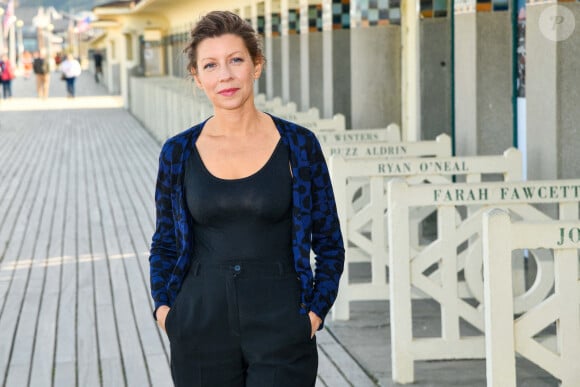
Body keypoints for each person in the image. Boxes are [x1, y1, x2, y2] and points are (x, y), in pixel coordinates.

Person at [149, 10, 345, 387]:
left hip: (282, 323)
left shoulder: (298, 146)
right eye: (210, 65)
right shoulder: (177, 152)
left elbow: (329, 243)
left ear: (256, 66)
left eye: (235, 60)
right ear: (197, 77)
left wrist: (314, 312)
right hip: (199, 323)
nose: (225, 75)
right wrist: (165, 311)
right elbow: (165, 243)